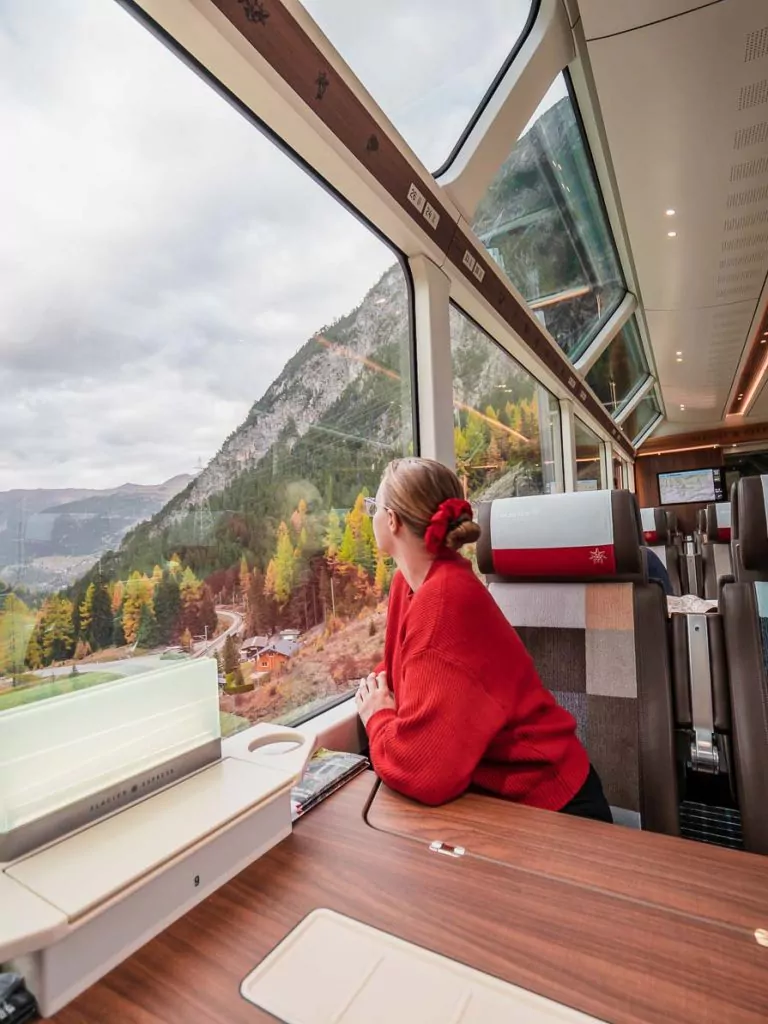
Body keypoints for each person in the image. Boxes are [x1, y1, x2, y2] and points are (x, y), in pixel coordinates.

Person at [355, 457, 612, 823]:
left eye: (373, 508)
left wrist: (379, 718)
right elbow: (398, 676)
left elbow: (424, 771)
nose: (372, 516)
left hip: (550, 806)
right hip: (495, 801)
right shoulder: (410, 584)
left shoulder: (443, 602)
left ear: (392, 520)